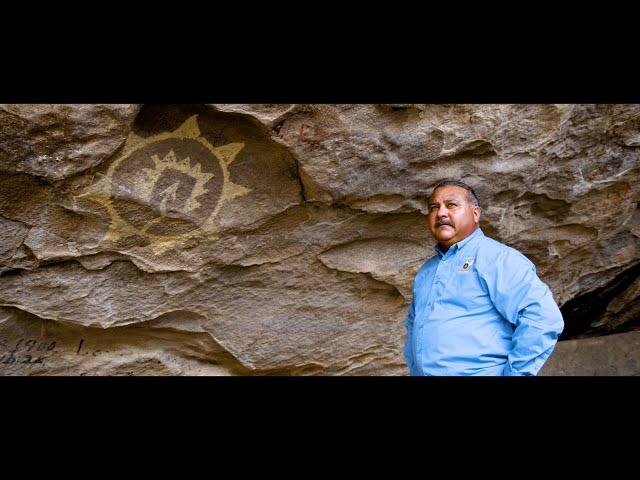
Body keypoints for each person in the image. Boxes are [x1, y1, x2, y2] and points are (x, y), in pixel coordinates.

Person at [404, 179, 564, 376]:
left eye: (451, 205)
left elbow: (543, 318)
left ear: (475, 213)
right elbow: (413, 325)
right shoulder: (426, 271)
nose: (441, 213)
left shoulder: (498, 259)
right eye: (434, 207)